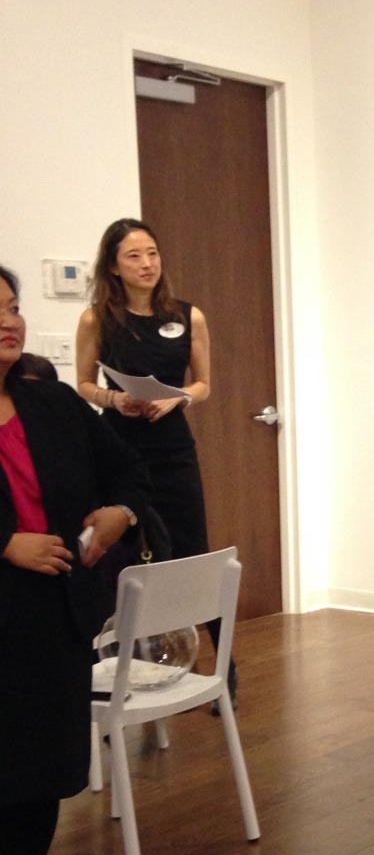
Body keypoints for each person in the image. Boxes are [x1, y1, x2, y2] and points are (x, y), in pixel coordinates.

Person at [0, 263, 146, 855]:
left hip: (50, 615)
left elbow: (127, 471)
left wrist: (120, 513)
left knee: (39, 767)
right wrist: (4, 541)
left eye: (12, 307)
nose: (9, 321)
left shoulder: (50, 402)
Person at [75, 218, 233, 704]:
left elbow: (203, 384)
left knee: (192, 551)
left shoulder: (188, 315)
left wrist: (179, 397)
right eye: (134, 256)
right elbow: (83, 383)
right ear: (113, 267)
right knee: (124, 556)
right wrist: (114, 399)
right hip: (119, 448)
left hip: (173, 448)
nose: (147, 264)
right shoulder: (96, 319)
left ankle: (225, 669)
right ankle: (115, 673)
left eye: (152, 253)